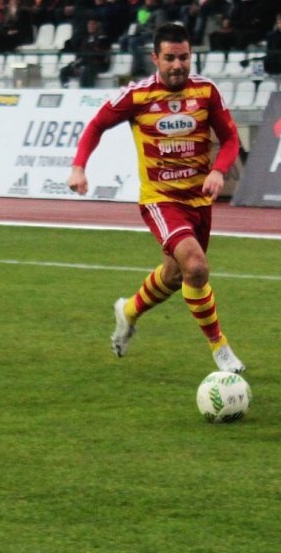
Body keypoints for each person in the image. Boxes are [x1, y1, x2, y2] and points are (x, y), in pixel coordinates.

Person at [67, 21, 246, 374]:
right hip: (161, 201)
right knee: (196, 267)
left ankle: (128, 311)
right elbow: (96, 125)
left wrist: (218, 170)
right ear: (155, 58)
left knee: (175, 275)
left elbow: (230, 139)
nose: (178, 65)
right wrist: (78, 167)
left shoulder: (206, 91)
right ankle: (220, 348)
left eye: (184, 57)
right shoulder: (136, 96)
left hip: (198, 201)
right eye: (170, 58)